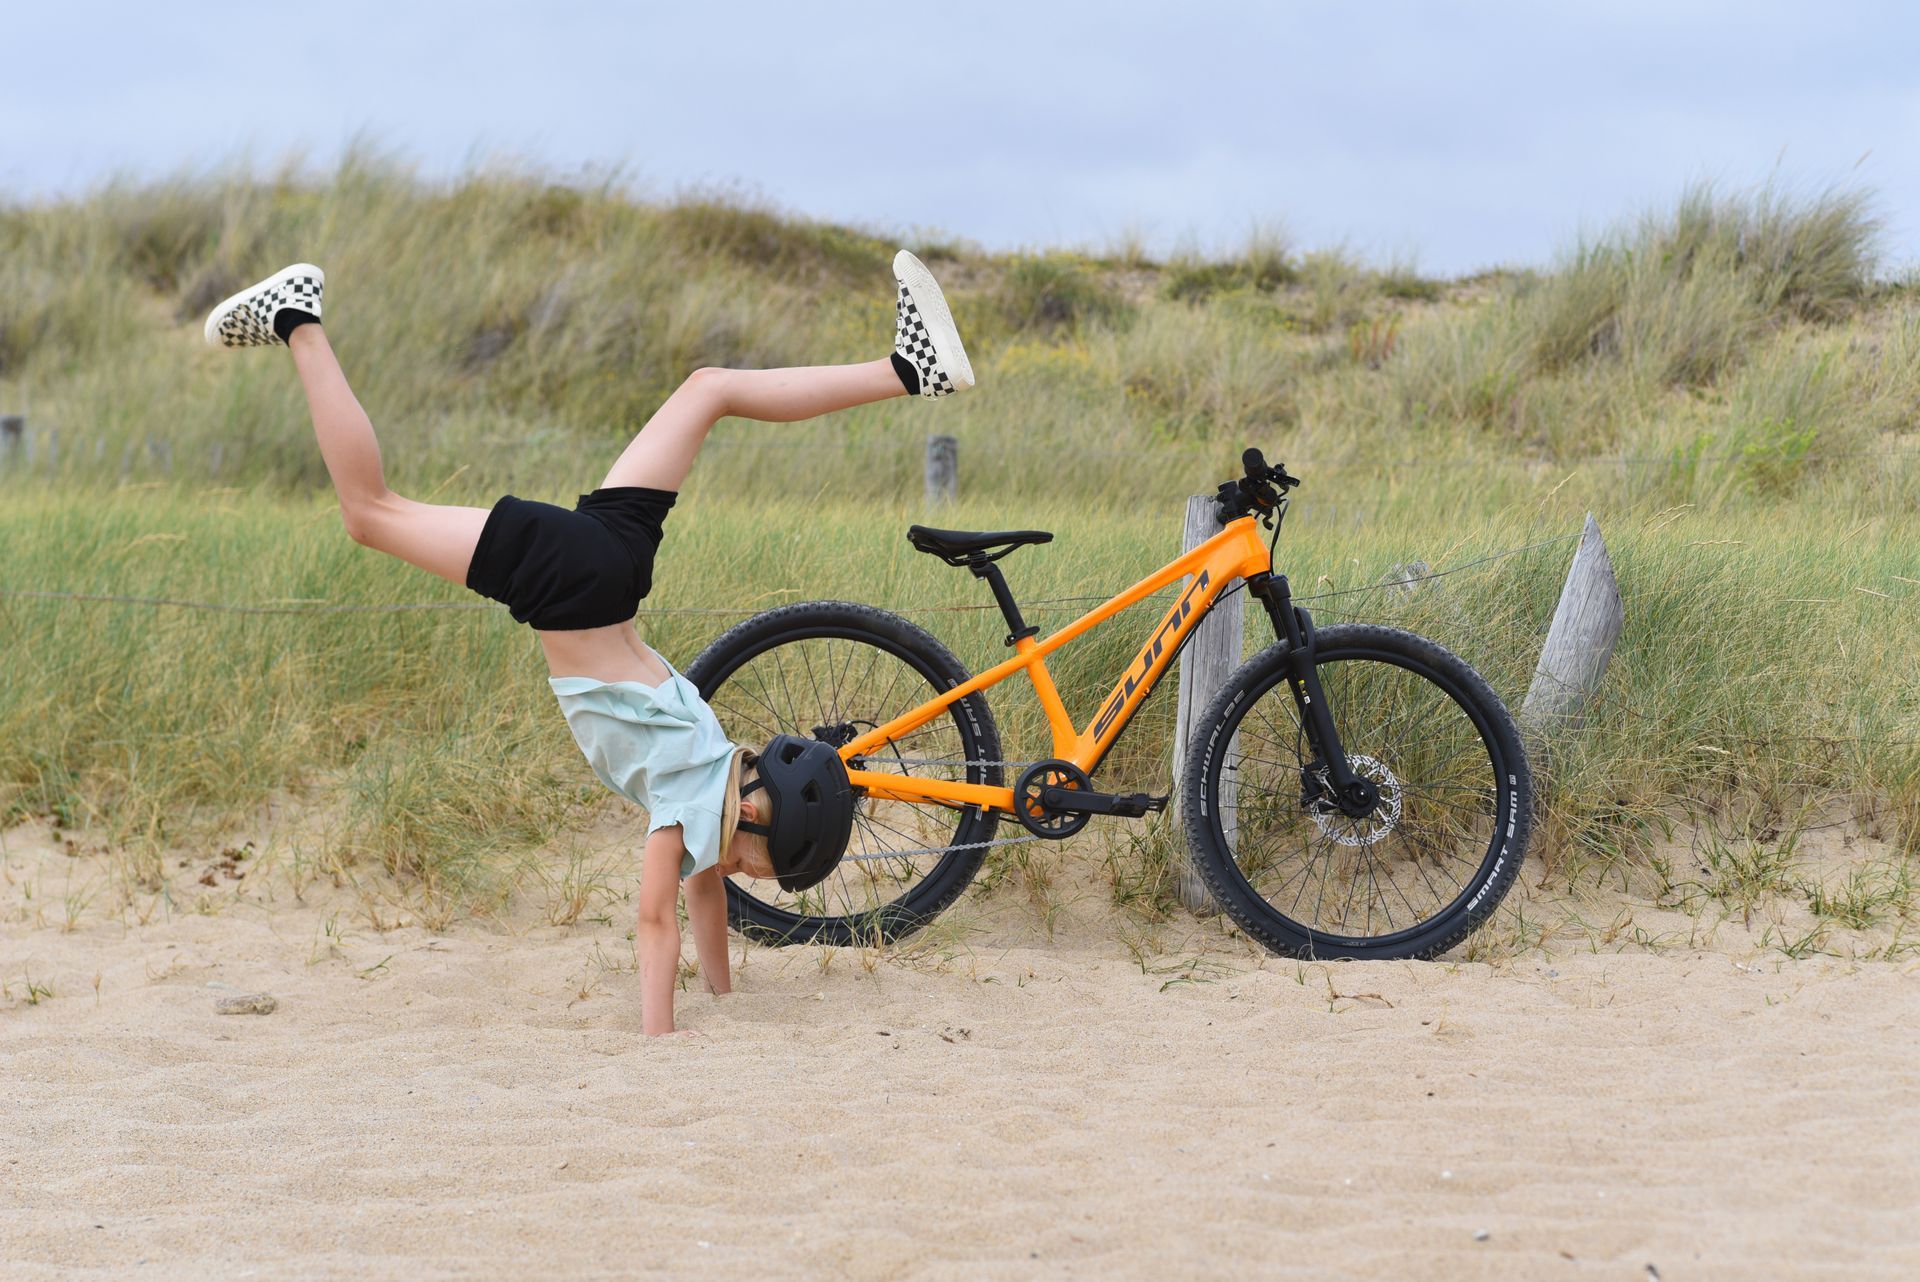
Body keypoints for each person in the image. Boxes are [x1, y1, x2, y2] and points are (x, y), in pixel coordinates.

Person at [203, 252, 974, 1035]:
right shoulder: (683, 806)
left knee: (709, 390)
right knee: (370, 512)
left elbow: (705, 897)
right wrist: (659, 1034)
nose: (738, 874)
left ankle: (910, 368)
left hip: (614, 563)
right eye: (752, 862)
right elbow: (655, 923)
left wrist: (722, 995)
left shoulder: (713, 760)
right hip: (568, 585)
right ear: (748, 811)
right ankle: (298, 320)